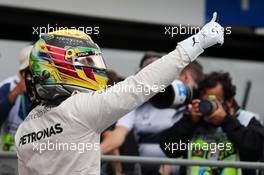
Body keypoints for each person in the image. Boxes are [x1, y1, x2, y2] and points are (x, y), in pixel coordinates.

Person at [15, 12, 224, 175]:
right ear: (62, 66)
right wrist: (197, 43)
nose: (93, 68)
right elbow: (141, 84)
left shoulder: (24, 128)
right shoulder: (79, 109)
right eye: (85, 62)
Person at [100, 52, 204, 175]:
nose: (152, 80)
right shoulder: (133, 102)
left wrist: (189, 89)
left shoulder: (188, 103)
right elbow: (117, 134)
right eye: (146, 73)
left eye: (156, 73)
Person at [160, 71, 264, 175]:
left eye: (213, 101)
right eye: (203, 101)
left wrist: (226, 121)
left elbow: (256, 150)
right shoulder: (193, 121)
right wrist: (190, 121)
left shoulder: (245, 119)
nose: (207, 107)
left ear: (229, 102)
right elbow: (169, 149)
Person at [0, 46, 32, 151]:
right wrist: (16, 92)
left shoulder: (45, 90)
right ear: (23, 72)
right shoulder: (7, 86)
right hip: (9, 157)